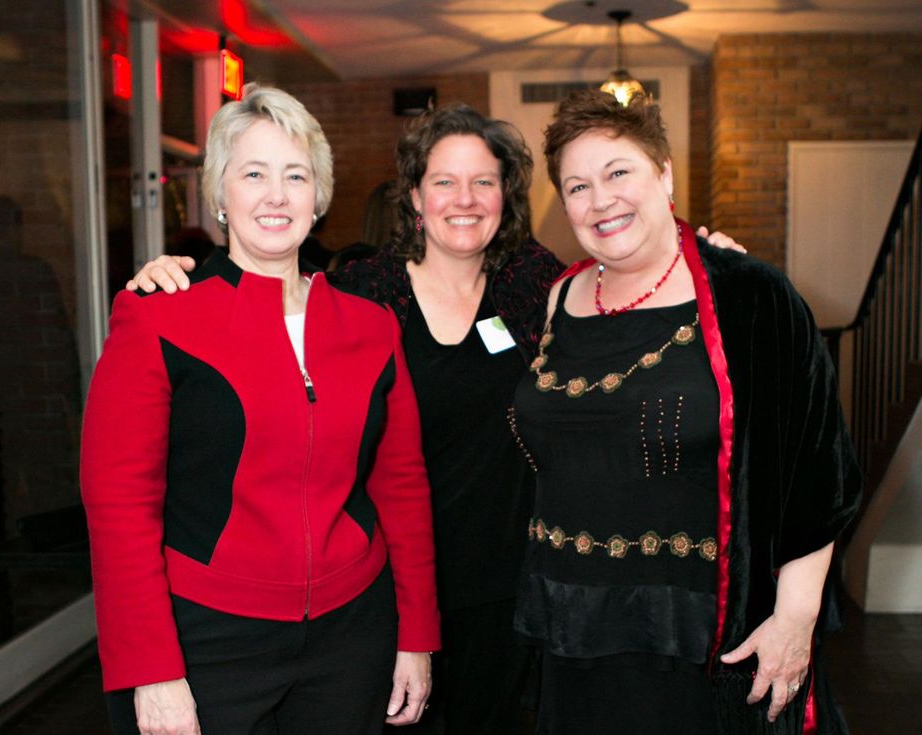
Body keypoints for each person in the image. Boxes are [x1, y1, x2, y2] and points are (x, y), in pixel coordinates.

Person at [128, 100, 746, 734]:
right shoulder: (362, 293)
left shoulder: (539, 286)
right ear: (415, 199)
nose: (466, 198)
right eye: (444, 182)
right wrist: (177, 274)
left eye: (484, 181)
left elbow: (625, 278)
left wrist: (701, 253)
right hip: (389, 586)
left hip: (510, 577)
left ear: (507, 197)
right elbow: (266, 312)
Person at [81, 83, 440, 735]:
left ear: (317, 195)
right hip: (207, 639)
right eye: (253, 173)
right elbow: (119, 505)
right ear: (220, 193)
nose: (276, 195)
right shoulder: (158, 316)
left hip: (351, 634)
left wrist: (416, 635)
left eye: (295, 175)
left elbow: (403, 487)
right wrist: (152, 671)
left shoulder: (372, 325)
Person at [509, 90, 861, 734]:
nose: (601, 199)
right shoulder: (559, 295)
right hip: (575, 624)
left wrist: (796, 620)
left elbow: (816, 472)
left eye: (619, 172)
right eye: (577, 186)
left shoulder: (750, 293)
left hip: (702, 635)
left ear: (663, 173)